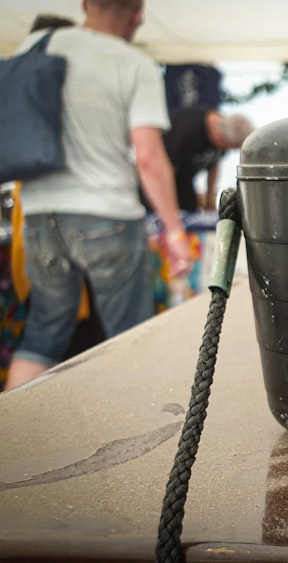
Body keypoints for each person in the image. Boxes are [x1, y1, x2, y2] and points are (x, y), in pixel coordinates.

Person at [3, 0, 192, 391]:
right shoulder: (132, 63)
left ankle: (9, 435)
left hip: (39, 214)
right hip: (106, 215)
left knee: (42, 336)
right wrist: (174, 232)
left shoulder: (40, 43)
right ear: (138, 15)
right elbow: (149, 158)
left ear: (85, 4)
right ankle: (141, 443)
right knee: (133, 338)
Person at [158, 107, 254, 212]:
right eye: (229, 147)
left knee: (190, 208)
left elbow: (214, 165)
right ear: (221, 139)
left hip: (187, 181)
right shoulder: (186, 131)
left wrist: (209, 201)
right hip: (161, 180)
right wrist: (169, 208)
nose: (227, 150)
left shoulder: (226, 135)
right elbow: (168, 171)